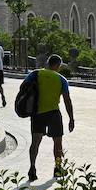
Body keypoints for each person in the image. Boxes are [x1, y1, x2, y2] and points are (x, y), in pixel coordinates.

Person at [22, 53, 75, 181]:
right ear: (57, 65)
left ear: (47, 63)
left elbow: (24, 88)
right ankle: (58, 168)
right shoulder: (62, 79)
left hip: (37, 113)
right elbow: (67, 100)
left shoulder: (34, 74)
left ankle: (32, 168)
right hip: (54, 113)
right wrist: (71, 118)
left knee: (35, 142)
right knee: (57, 143)